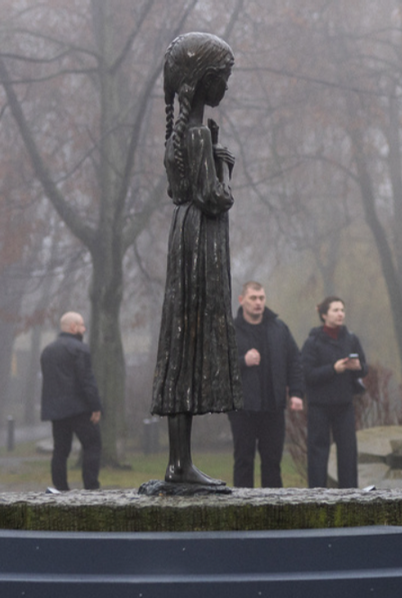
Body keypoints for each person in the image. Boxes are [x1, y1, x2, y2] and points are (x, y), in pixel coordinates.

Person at [150, 32, 242, 486]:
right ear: (203, 80)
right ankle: (180, 467)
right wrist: (223, 166)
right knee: (190, 343)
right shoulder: (198, 136)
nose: (225, 86)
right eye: (222, 77)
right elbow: (214, 197)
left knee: (180, 344)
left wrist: (213, 151)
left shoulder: (182, 136)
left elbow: (179, 190)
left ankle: (178, 462)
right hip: (201, 244)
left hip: (183, 238)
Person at [229, 281, 304, 488]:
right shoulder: (230, 330)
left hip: (273, 407)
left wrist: (296, 393)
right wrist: (243, 360)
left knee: (272, 463)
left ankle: (274, 512)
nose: (258, 303)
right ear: (241, 300)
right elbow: (217, 364)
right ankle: (243, 511)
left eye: (261, 298)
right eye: (253, 298)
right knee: (244, 461)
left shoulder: (279, 328)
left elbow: (295, 360)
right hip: (243, 408)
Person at [301, 296, 367, 488]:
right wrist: (333, 369)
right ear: (324, 315)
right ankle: (317, 496)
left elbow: (364, 368)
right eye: (335, 310)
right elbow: (307, 374)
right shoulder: (312, 342)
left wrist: (357, 367)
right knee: (318, 452)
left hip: (344, 403)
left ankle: (349, 497)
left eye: (342, 310)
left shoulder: (351, 339)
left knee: (348, 452)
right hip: (319, 405)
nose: (340, 314)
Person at [40, 311, 102, 491]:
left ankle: (60, 488)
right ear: (73, 327)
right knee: (93, 445)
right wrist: (95, 407)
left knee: (60, 450)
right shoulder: (79, 349)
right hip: (79, 409)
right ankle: (91, 487)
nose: (84, 329)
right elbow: (87, 381)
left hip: (56, 411)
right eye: (82, 325)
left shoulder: (48, 351)